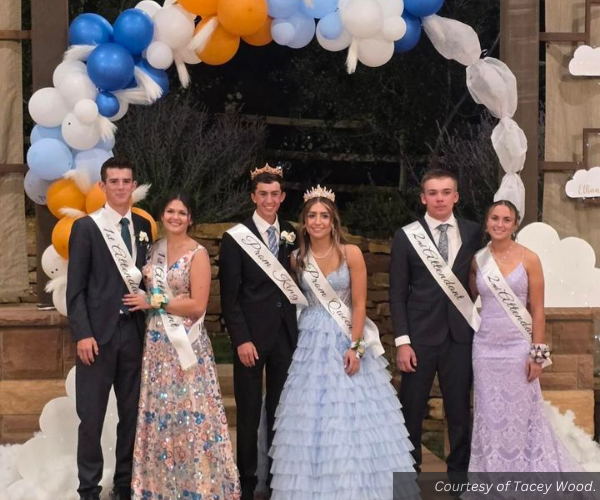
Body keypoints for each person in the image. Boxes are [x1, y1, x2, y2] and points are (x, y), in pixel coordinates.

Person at [270, 186, 415, 500]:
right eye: (312, 216)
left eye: (324, 216)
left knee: (351, 413)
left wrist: (356, 347)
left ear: (333, 221)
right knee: (311, 414)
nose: (318, 221)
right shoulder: (297, 259)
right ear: (304, 221)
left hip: (345, 335)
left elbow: (360, 304)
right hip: (310, 340)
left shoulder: (351, 254)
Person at [123, 193, 241, 498]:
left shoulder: (198, 253)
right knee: (160, 411)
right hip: (157, 343)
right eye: (170, 211)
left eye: (182, 212)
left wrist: (154, 301)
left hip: (186, 344)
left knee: (191, 411)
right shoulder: (153, 250)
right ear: (163, 215)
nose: (176, 217)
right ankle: (159, 485)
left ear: (191, 218)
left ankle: (199, 485)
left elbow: (197, 305)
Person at [468, 200, 582, 472]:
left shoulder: (529, 258)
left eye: (506, 220)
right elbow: (470, 301)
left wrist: (537, 355)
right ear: (487, 223)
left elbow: (538, 310)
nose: (499, 224)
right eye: (494, 218)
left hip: (518, 347)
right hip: (484, 348)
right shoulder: (477, 260)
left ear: (515, 225)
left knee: (520, 414)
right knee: (488, 414)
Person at [67, 157, 153, 500]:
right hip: (97, 337)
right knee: (91, 417)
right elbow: (76, 290)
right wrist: (83, 333)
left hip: (134, 335)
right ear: (102, 186)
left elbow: (151, 277)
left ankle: (124, 485)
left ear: (134, 186)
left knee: (131, 416)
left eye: (126, 181)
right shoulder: (87, 228)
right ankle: (88, 488)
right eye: (113, 181)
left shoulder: (144, 227)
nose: (120, 187)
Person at [389, 168, 482, 474]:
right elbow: (397, 293)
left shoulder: (474, 232)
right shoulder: (406, 236)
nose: (439, 198)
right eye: (432, 193)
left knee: (459, 412)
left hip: (460, 336)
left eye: (445, 192)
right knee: (411, 411)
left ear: (456, 197)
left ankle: (459, 479)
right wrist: (402, 341)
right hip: (419, 338)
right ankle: (409, 475)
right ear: (423, 197)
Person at [219, 164, 299, 500]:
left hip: (285, 337)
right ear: (253, 197)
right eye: (262, 194)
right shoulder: (236, 237)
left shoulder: (293, 232)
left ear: (282, 197)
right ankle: (247, 483)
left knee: (280, 412)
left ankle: (275, 478)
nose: (269, 200)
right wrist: (241, 339)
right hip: (250, 339)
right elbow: (229, 297)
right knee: (249, 416)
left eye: (274, 194)